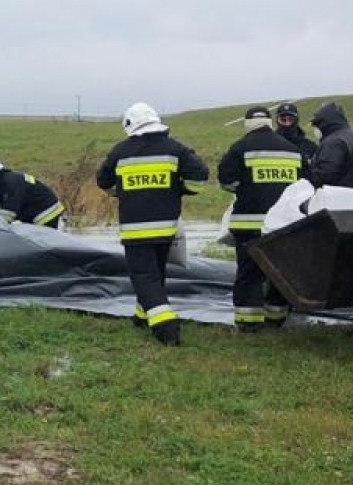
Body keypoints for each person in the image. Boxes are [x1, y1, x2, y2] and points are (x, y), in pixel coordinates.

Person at [95, 102, 209, 345]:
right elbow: (199, 178)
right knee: (155, 274)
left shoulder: (120, 152)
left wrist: (124, 192)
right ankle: (141, 316)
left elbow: (103, 182)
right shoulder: (175, 149)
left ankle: (166, 329)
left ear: (129, 125)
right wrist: (177, 189)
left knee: (144, 276)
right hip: (167, 227)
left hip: (135, 228)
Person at [217, 105, 304, 331]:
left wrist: (248, 188)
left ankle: (249, 323)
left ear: (247, 124)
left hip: (248, 224)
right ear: (270, 122)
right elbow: (306, 185)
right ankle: (277, 316)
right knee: (280, 270)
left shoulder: (240, 148)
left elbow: (226, 181)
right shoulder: (292, 150)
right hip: (283, 224)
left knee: (249, 273)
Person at [0, 153, 66, 229]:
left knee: (40, 244)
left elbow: (7, 215)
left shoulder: (11, 183)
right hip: (33, 216)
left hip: (46, 213)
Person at [309, 101, 353, 190]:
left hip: (339, 200)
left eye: (316, 126)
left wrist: (307, 175)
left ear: (323, 124)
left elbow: (324, 176)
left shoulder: (333, 143)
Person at [273, 102, 317, 171]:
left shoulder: (311, 146)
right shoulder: (271, 145)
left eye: (290, 119)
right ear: (277, 121)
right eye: (283, 120)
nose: (287, 124)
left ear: (296, 120)